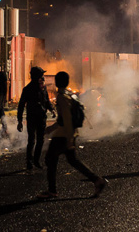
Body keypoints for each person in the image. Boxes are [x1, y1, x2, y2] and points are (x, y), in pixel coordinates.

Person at [37, 71, 106, 199]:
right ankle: (97, 180)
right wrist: (52, 129)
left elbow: (67, 119)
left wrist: (68, 139)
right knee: (72, 160)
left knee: (50, 159)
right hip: (69, 133)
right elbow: (64, 119)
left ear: (57, 82)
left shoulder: (62, 97)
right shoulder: (70, 95)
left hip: (63, 135)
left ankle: (52, 190)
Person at [17, 66, 55, 170]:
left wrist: (51, 109)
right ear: (35, 76)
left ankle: (36, 160)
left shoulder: (42, 87)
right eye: (41, 75)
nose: (42, 77)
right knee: (32, 140)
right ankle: (29, 162)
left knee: (40, 140)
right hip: (32, 118)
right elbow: (21, 105)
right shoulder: (27, 89)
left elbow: (46, 100)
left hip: (42, 117)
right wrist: (19, 121)